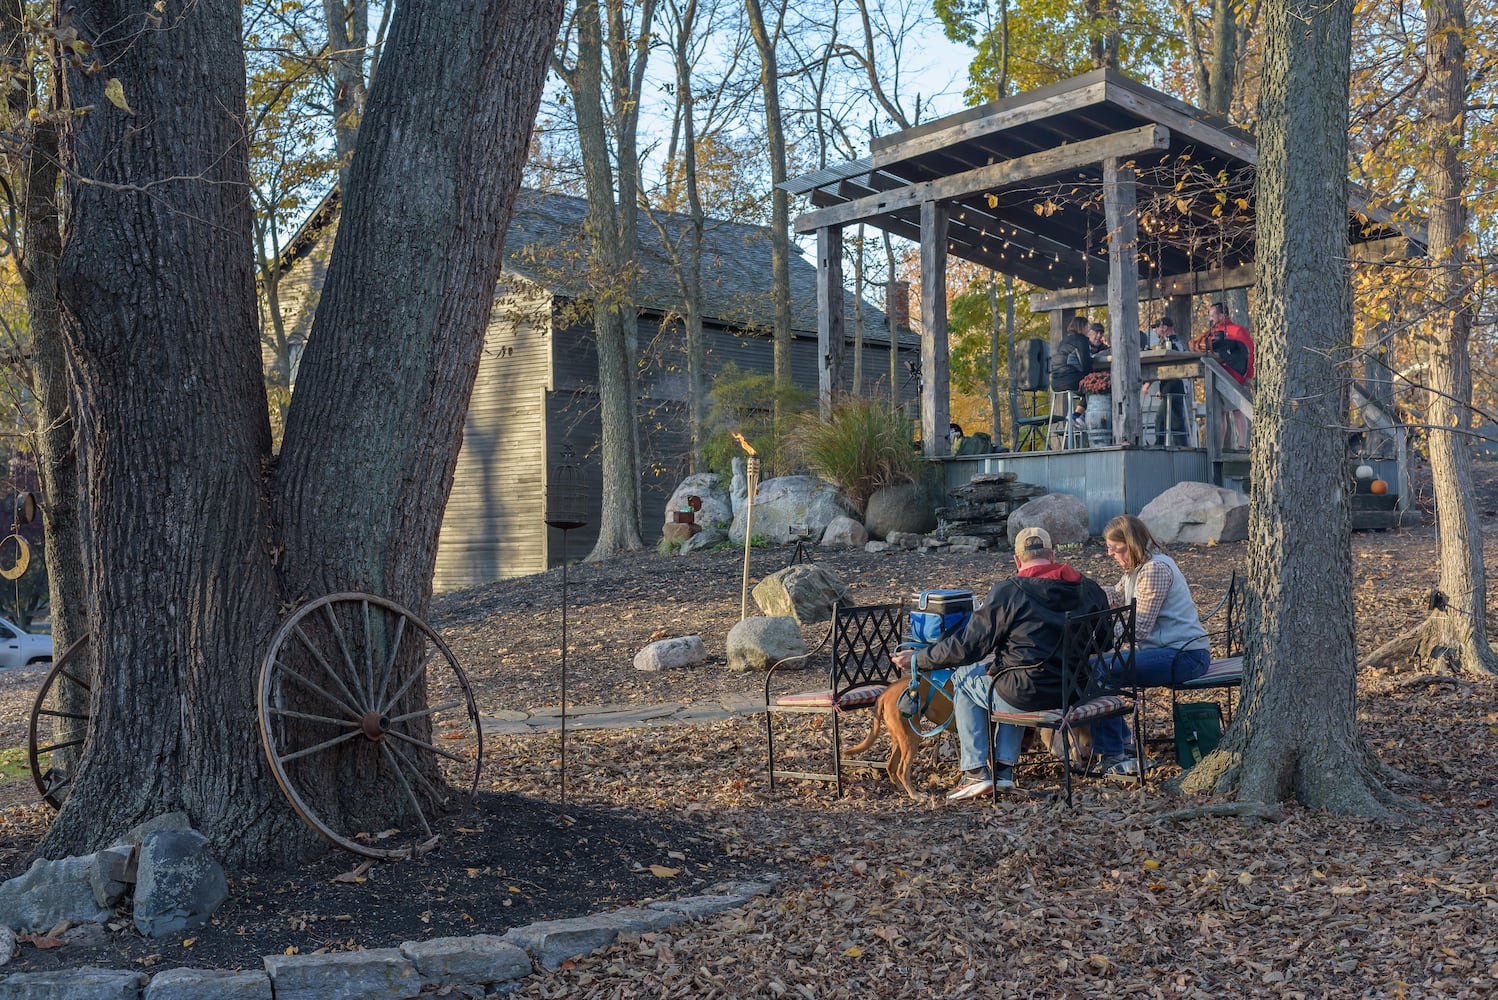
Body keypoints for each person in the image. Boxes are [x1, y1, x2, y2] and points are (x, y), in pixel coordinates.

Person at [891, 526, 1109, 799]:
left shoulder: (1009, 591)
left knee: (966, 675)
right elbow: (1105, 641)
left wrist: (920, 659)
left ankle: (976, 772)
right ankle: (1003, 772)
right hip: (1076, 690)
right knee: (1004, 677)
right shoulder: (1089, 588)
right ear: (1053, 556)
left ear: (1017, 560)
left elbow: (968, 647)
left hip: (1028, 693)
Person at [1091, 514, 1210, 776]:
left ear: (1131, 544)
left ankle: (1114, 753)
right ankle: (1123, 742)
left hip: (1185, 655)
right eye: (1108, 548)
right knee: (1090, 667)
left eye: (1115, 548)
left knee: (1100, 669)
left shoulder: (1154, 570)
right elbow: (1116, 594)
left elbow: (1138, 630)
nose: (1111, 554)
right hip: (1166, 651)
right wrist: (1084, 591)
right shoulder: (1136, 570)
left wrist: (1100, 633)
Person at [1208, 302, 1254, 449]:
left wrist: (1249, 375)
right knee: (1220, 412)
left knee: (1237, 409)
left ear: (1222, 315)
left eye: (1213, 314)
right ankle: (1219, 447)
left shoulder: (1238, 331)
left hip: (1233, 375)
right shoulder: (1212, 333)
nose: (1211, 317)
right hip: (1217, 373)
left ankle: (1241, 445)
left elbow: (1250, 353)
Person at [1150, 317, 1189, 447]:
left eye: (1157, 327)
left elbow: (1175, 369)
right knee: (1163, 420)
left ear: (1164, 328)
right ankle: (1160, 445)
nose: (1156, 330)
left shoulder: (1173, 343)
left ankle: (1180, 447)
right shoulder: (1179, 342)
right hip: (1171, 386)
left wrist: (1163, 390)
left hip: (1175, 385)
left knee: (1174, 421)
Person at [1049, 316, 1092, 394]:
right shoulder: (1081, 340)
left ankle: (1081, 406)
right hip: (1070, 380)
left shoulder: (1064, 340)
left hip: (1055, 382)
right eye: (1086, 326)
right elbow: (1086, 364)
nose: (1088, 330)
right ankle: (1082, 405)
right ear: (1082, 326)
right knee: (1098, 381)